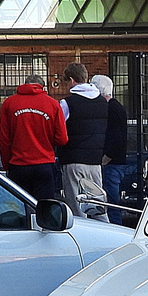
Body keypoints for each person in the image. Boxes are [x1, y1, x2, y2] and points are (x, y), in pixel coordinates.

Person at [0, 75, 67, 202]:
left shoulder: (9, 103)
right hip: (44, 164)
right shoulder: (53, 104)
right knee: (43, 210)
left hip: (18, 165)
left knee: (20, 208)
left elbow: (4, 140)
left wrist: (6, 165)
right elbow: (62, 139)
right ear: (42, 87)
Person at [58, 62, 109, 222]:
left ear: (71, 80)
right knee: (98, 207)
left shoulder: (67, 103)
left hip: (73, 160)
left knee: (76, 209)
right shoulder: (102, 102)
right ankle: (107, 237)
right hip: (95, 162)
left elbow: (59, 130)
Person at [91, 74, 133, 220]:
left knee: (110, 203)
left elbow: (116, 137)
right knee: (111, 202)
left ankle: (114, 227)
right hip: (116, 162)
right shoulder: (117, 107)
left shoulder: (111, 109)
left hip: (112, 163)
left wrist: (106, 158)